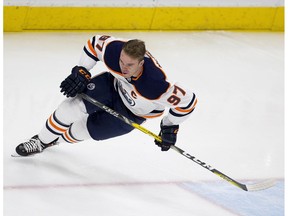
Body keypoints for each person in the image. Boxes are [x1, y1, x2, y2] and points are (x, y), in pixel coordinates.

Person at [15, 34, 197, 156]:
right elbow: (94, 43)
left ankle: (56, 141)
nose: (123, 68)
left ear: (141, 63)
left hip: (134, 113)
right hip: (112, 87)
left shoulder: (155, 85)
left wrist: (169, 126)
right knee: (69, 108)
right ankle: (40, 141)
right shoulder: (114, 50)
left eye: (130, 65)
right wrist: (82, 70)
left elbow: (188, 101)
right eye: (121, 62)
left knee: (82, 131)